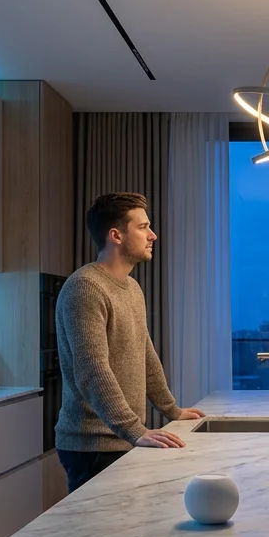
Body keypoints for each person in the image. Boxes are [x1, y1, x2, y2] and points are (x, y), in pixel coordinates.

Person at [54, 192, 205, 492]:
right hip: (94, 446)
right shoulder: (85, 288)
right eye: (143, 227)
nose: (153, 235)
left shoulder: (131, 288)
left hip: (121, 438)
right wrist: (134, 430)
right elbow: (92, 370)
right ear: (116, 235)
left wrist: (171, 410)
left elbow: (145, 355)